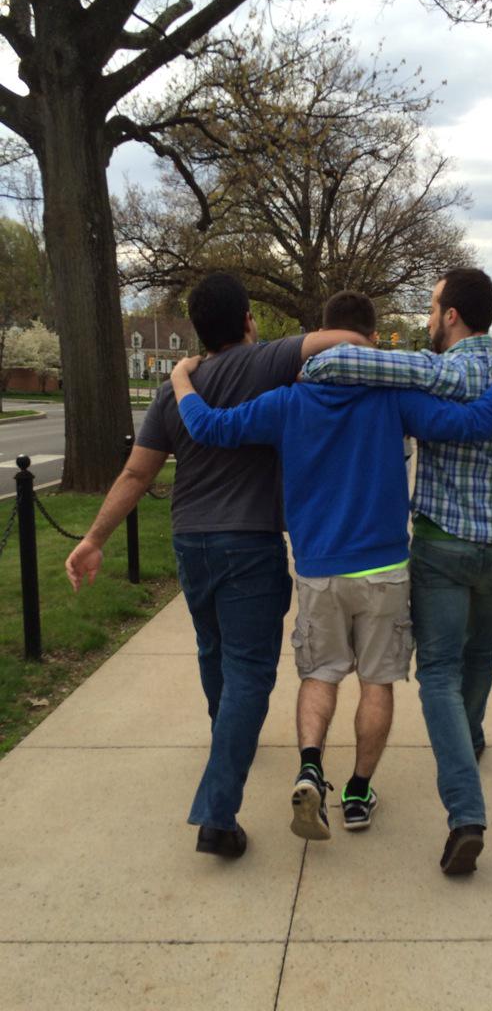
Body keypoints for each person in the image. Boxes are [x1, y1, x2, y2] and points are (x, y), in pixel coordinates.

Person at [169, 295, 492, 843]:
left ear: (323, 334)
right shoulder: (392, 400)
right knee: (377, 683)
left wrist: (181, 383)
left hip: (318, 570)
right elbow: (475, 423)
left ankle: (312, 766)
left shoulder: (287, 402)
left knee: (319, 675)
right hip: (384, 568)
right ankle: (359, 790)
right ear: (369, 337)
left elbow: (212, 428)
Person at [65, 272, 375, 859]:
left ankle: (226, 741)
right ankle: (217, 814)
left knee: (213, 653)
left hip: (191, 544)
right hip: (249, 547)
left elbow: (137, 473)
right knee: (251, 673)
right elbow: (347, 341)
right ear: (248, 320)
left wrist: (93, 538)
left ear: (197, 331)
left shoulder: (174, 390)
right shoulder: (267, 360)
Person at [300, 267, 492, 874]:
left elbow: (333, 367)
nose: (428, 317)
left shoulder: (442, 371)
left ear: (450, 315)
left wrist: (319, 352)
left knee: (441, 675)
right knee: (482, 651)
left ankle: (466, 814)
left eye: (431, 307)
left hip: (444, 547)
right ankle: (468, 739)